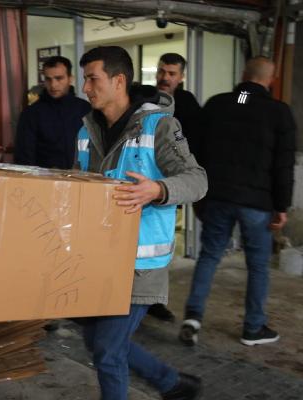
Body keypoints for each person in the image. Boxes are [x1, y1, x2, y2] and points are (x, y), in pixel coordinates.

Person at [75, 46, 207, 400]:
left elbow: (197, 180)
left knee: (107, 351)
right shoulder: (86, 131)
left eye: (92, 79)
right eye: (84, 79)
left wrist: (158, 189)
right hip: (98, 260)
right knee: (96, 340)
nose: (85, 88)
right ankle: (172, 384)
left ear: (118, 81)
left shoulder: (159, 125)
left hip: (139, 264)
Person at [179, 56, 296, 347]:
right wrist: (282, 207)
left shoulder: (222, 103)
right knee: (257, 266)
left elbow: (198, 149)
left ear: (244, 74)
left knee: (209, 257)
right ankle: (253, 328)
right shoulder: (278, 112)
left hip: (218, 196)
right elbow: (283, 166)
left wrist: (199, 193)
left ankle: (193, 318)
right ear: (271, 80)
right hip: (257, 202)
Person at [147, 53, 203, 323]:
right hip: (142, 181)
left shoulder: (189, 104)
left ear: (181, 77)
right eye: (162, 71)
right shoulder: (144, 97)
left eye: (171, 73)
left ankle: (155, 301)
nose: (165, 77)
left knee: (161, 247)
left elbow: (195, 144)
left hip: (170, 186)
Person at [14, 56, 91, 169]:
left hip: (83, 178)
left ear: (70, 78)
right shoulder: (31, 114)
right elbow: (24, 159)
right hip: (44, 182)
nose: (53, 85)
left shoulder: (85, 109)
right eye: (48, 79)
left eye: (59, 78)